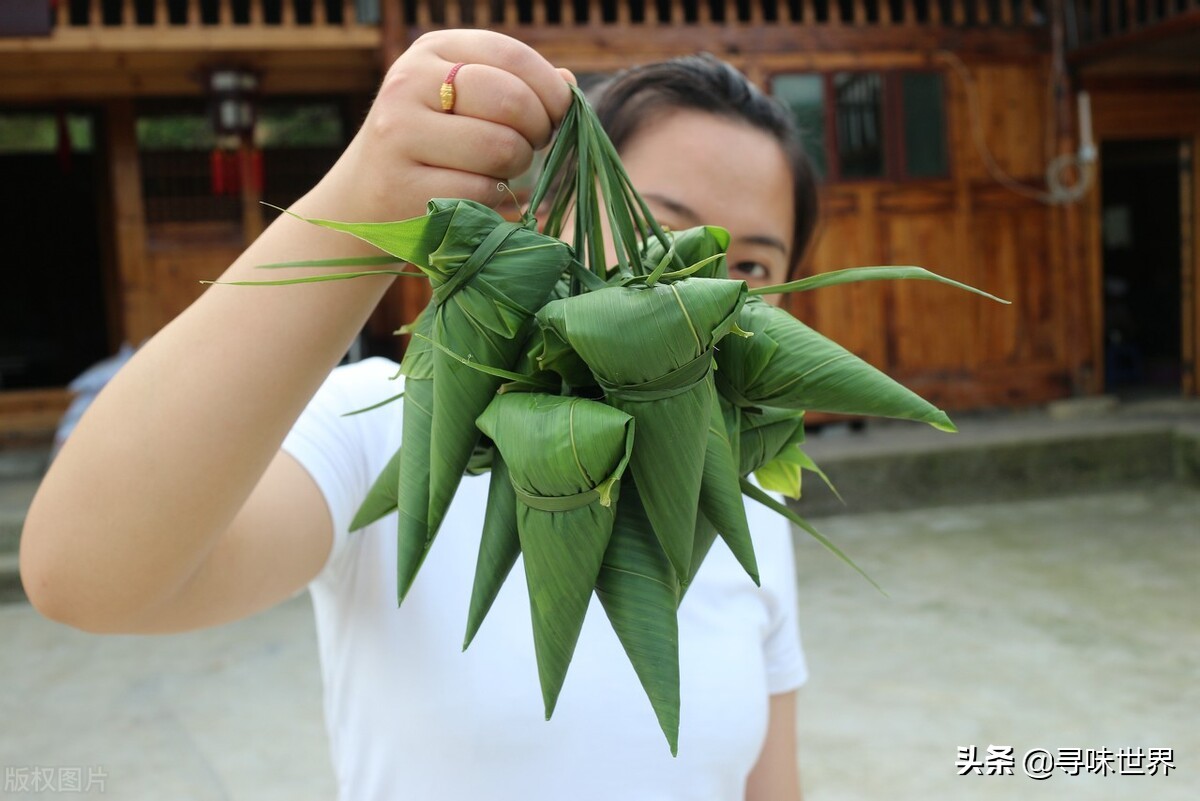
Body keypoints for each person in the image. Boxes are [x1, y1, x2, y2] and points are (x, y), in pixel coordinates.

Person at [21, 30, 819, 800]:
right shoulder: (381, 426)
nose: (702, 280)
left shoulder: (748, 495)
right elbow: (86, 575)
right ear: (541, 218)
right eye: (660, 223)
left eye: (751, 262)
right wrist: (365, 199)